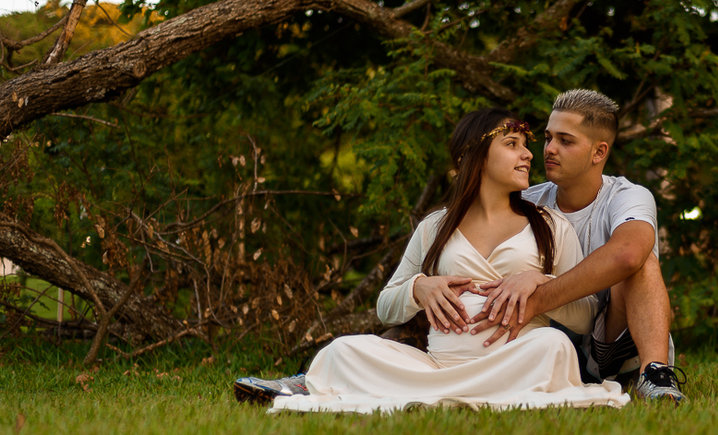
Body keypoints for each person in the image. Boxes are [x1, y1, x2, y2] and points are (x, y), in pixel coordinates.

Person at [234, 108, 628, 412]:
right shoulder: (435, 226)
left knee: (553, 345)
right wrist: (419, 288)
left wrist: (542, 285)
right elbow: (386, 307)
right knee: (343, 349)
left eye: (526, 145)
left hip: (516, 358)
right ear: (477, 155)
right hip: (436, 364)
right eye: (512, 144)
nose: (528, 154)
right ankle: (334, 382)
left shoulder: (549, 225)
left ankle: (387, 391)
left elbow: (583, 319)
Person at [462, 89, 687, 403]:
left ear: (598, 153)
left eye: (565, 141)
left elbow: (628, 253)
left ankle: (655, 375)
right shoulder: (525, 200)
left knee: (641, 261)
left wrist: (540, 294)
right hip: (542, 342)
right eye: (548, 137)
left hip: (615, 344)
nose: (550, 149)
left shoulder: (628, 196)